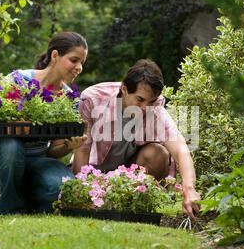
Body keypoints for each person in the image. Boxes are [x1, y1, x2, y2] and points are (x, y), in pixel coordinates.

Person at [72, 59, 201, 219]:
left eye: (150, 101)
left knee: (158, 153)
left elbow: (181, 149)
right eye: (140, 100)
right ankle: (101, 202)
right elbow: (83, 148)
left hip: (129, 175)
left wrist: (189, 189)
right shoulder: (93, 99)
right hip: (95, 170)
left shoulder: (154, 109)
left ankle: (131, 205)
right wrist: (83, 193)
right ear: (124, 89)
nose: (144, 108)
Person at [0, 32, 88, 215]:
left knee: (61, 186)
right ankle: (10, 208)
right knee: (11, 146)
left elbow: (53, 151)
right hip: (3, 164)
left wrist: (68, 146)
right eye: (74, 60)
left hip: (37, 163)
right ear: (55, 55)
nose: (79, 67)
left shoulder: (69, 98)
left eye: (82, 63)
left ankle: (29, 203)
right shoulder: (19, 80)